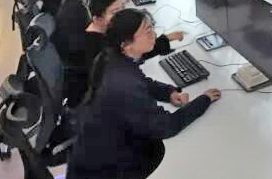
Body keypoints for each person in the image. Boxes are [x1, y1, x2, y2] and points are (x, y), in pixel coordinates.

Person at [66, 10, 221, 179]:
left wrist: (169, 92)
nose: (154, 34)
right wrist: (204, 100)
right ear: (127, 44)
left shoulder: (111, 57)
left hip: (95, 146)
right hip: (107, 167)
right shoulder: (124, 83)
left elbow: (142, 81)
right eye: (147, 31)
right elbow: (166, 126)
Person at [60, 0, 184, 106]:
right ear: (97, 19)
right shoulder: (98, 49)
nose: (122, 14)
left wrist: (168, 93)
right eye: (115, 12)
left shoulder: (100, 35)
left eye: (123, 7)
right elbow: (132, 79)